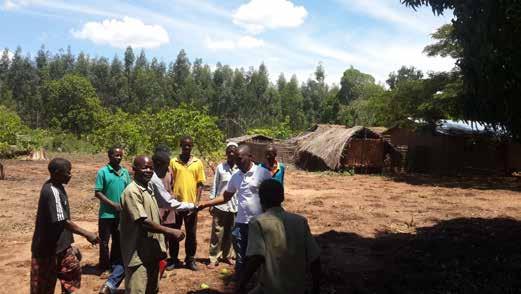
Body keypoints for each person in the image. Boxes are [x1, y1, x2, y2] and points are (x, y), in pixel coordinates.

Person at [198, 145, 272, 279]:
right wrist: (205, 203)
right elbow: (226, 196)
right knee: (241, 257)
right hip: (241, 223)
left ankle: (260, 283)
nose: (237, 162)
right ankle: (240, 285)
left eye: (239, 159)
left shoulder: (263, 173)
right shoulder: (236, 176)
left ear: (250, 157)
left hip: (259, 224)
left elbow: (272, 198)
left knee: (261, 256)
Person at [236, 179, 321, 294]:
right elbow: (315, 258)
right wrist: (316, 288)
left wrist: (241, 285)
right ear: (282, 198)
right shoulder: (300, 221)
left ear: (260, 199)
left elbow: (256, 258)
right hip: (298, 289)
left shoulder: (257, 222)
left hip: (271, 289)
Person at [30, 158, 100, 294]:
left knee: (73, 273)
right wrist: (87, 234)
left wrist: (69, 245)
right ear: (56, 173)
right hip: (46, 250)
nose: (70, 175)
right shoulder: (51, 191)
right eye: (67, 172)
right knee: (42, 288)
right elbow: (62, 221)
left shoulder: (59, 187)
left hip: (61, 247)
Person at [119, 155, 185, 294]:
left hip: (151, 252)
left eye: (151, 168)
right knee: (137, 290)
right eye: (145, 167)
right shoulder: (132, 192)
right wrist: (170, 231)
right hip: (138, 256)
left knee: (152, 289)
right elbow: (143, 222)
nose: (148, 171)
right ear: (134, 169)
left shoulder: (149, 189)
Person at [150, 151, 197, 268]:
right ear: (159, 164)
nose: (167, 171)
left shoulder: (152, 177)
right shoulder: (154, 179)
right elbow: (168, 202)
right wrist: (193, 206)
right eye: (166, 167)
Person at [95, 147, 131, 294]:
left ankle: (115, 266)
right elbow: (98, 192)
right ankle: (104, 266)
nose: (118, 158)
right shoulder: (103, 172)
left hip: (121, 214)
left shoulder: (125, 172)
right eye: (116, 155)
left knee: (118, 241)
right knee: (104, 241)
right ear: (109, 156)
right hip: (106, 214)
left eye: (120, 155)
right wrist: (113, 205)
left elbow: (129, 190)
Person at [169, 136, 206, 271]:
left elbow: (200, 183)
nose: (187, 148)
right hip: (176, 206)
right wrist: (172, 201)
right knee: (174, 233)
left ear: (192, 146)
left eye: (189, 146)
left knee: (191, 234)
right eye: (184, 145)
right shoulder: (173, 162)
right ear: (180, 145)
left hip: (191, 206)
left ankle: (190, 259)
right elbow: (169, 182)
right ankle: (173, 259)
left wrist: (196, 203)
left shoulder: (197, 162)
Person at [207, 142, 239, 269]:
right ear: (226, 153)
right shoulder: (220, 167)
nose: (231, 153)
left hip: (235, 205)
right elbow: (215, 185)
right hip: (220, 206)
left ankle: (227, 256)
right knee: (217, 233)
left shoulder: (240, 168)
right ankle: (213, 257)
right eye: (229, 151)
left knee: (231, 233)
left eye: (234, 151)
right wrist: (211, 202)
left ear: (237, 153)